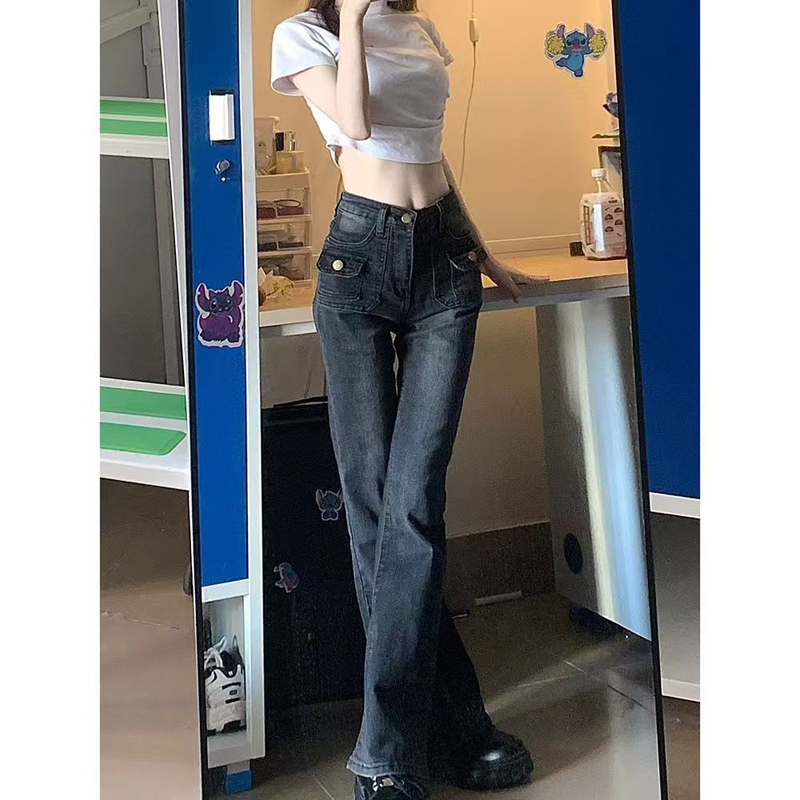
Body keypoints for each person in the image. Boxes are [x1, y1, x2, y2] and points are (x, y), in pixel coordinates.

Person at [271, 2, 546, 798]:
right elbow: (355, 125)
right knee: (376, 515)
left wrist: (485, 255)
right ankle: (448, 729)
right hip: (358, 263)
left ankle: (393, 752)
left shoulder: (418, 27)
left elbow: (432, 156)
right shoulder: (305, 35)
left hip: (444, 265)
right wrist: (354, 21)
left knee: (413, 502)